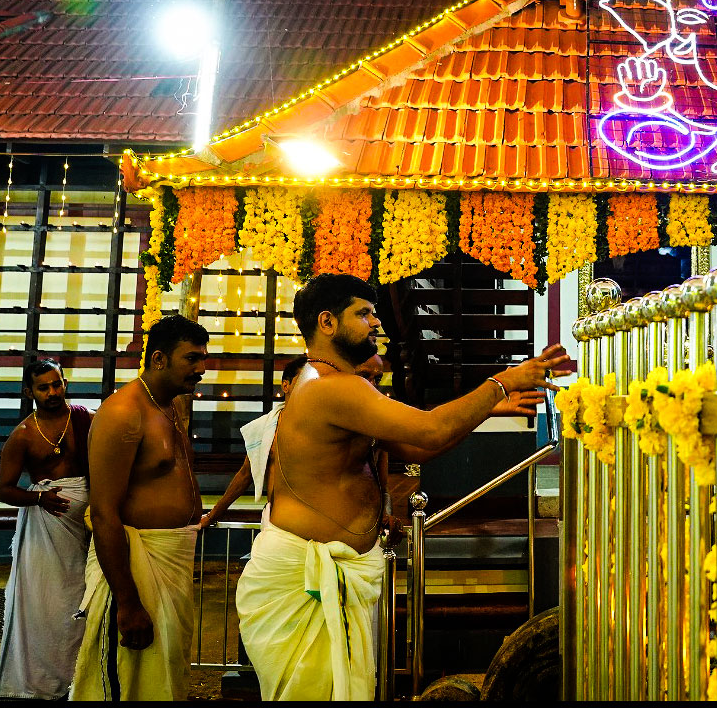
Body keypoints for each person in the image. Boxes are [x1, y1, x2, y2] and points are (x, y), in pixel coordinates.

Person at [235, 274, 567, 701]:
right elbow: (430, 430)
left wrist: (487, 409)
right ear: (327, 322)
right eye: (363, 314)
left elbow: (415, 448)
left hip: (328, 572)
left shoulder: (333, 382)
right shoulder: (330, 387)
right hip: (304, 577)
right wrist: (502, 381)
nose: (376, 322)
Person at [72, 316, 210, 701]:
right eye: (192, 359)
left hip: (170, 560)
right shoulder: (123, 412)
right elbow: (103, 512)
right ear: (159, 359)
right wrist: (128, 603)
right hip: (137, 566)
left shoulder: (169, 406)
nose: (201, 369)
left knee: (164, 676)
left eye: (203, 358)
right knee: (128, 678)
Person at [0, 360, 93, 699]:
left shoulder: (86, 419)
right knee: (48, 603)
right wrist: (38, 498)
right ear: (29, 392)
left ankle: (82, 680)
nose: (53, 392)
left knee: (84, 598)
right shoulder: (22, 435)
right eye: (44, 387)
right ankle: (44, 683)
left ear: (65, 383)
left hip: (88, 525)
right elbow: (4, 490)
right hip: (46, 531)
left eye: (57, 384)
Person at [199, 357, 309, 530]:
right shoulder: (266, 427)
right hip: (276, 522)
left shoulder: (326, 427)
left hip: (315, 521)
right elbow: (245, 475)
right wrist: (212, 515)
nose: (311, 387)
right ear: (285, 385)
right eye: (305, 380)